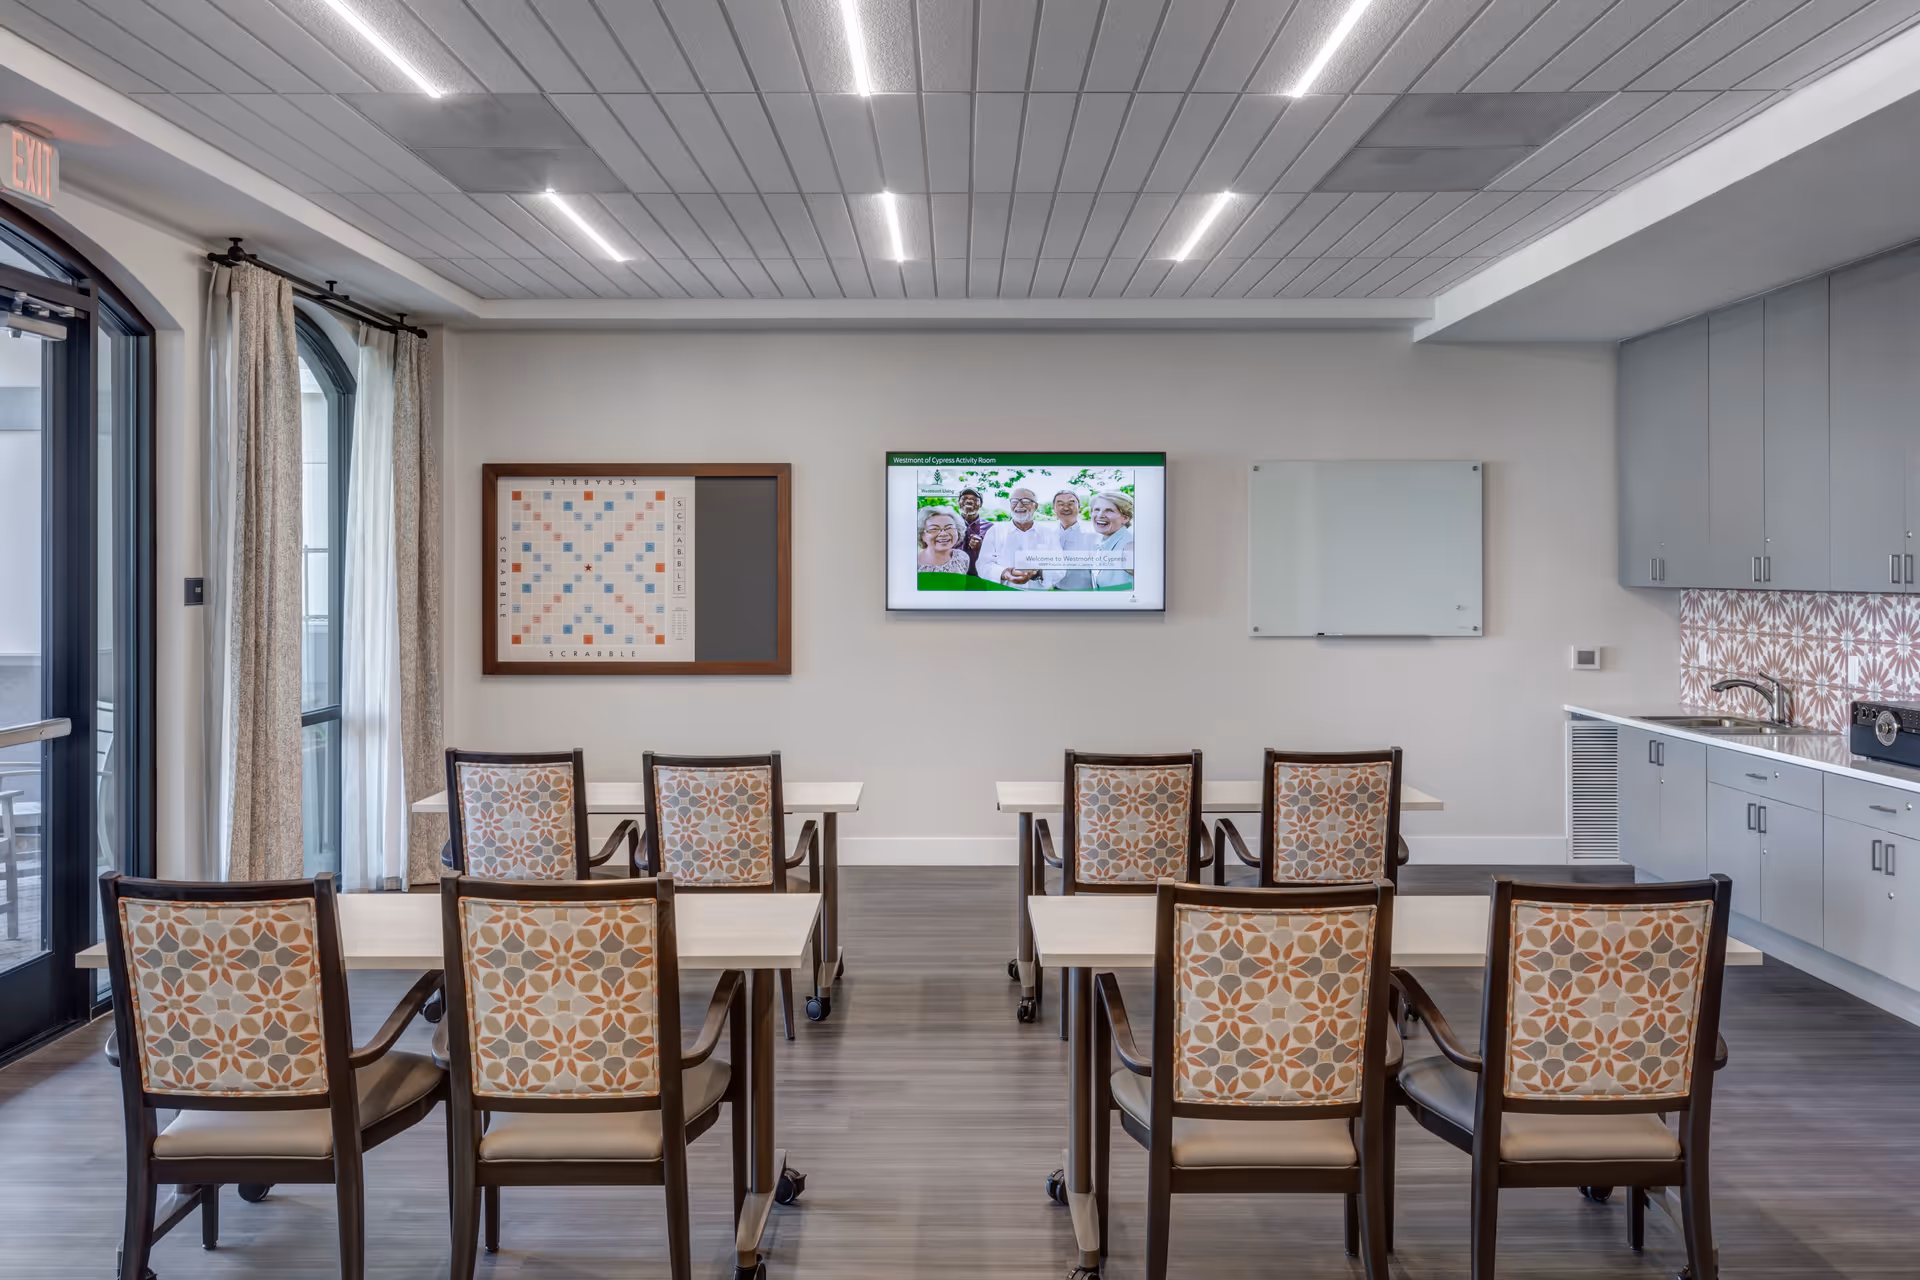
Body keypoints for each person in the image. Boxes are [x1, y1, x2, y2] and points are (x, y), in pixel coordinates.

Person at [973, 487, 1053, 589]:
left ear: (1035, 506)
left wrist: (1038, 572)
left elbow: (1059, 568)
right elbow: (983, 565)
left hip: (1037, 599)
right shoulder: (995, 531)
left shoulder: (1048, 534)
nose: (1019, 505)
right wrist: (1006, 573)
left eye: (1025, 501)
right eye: (1014, 501)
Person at [1044, 489, 1100, 591]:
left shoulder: (1093, 536)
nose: (1066, 507)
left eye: (1071, 503)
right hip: (1055, 591)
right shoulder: (1047, 535)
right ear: (1053, 508)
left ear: (1079, 506)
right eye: (1060, 504)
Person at [1087, 490, 1135, 589]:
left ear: (1125, 518)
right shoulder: (1102, 543)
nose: (1100, 515)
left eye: (1109, 510)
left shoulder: (1129, 547)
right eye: (1096, 509)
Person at [916, 506, 971, 574]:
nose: (943, 534)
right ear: (922, 534)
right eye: (934, 529)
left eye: (949, 528)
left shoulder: (962, 557)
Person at [955, 487, 992, 578]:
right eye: (964, 498)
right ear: (959, 503)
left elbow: (996, 556)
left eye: (975, 499)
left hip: (980, 578)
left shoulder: (991, 527)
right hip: (954, 576)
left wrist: (981, 548)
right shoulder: (949, 524)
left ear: (981, 504)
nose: (969, 501)